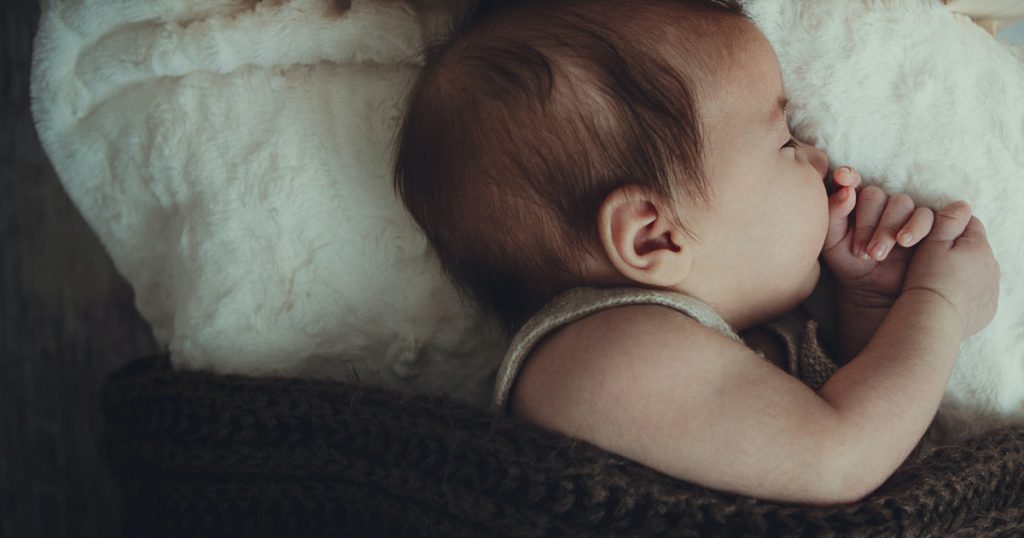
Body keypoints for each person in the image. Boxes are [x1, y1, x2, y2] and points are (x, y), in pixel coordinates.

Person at [391, 0, 1000, 506]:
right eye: (784, 142)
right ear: (653, 237)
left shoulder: (725, 341)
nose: (818, 157)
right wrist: (937, 306)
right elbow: (841, 459)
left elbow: (869, 444)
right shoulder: (604, 358)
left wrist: (871, 304)